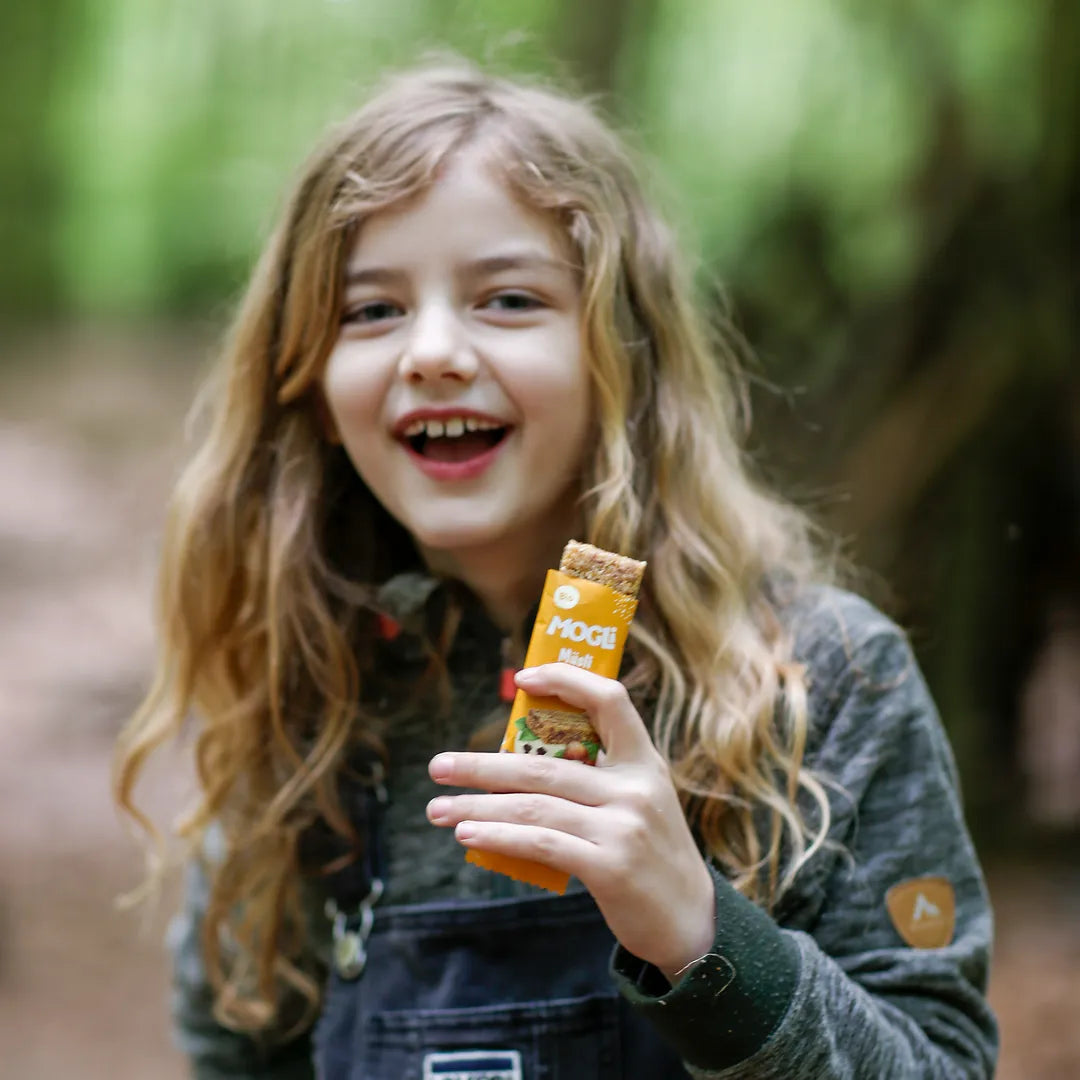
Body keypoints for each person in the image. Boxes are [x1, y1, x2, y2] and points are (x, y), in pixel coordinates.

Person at [114, 61, 998, 1080]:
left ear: (623, 352)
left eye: (508, 298)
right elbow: (239, 1058)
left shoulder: (830, 680)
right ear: (309, 386)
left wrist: (703, 939)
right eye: (371, 311)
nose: (434, 351)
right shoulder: (302, 701)